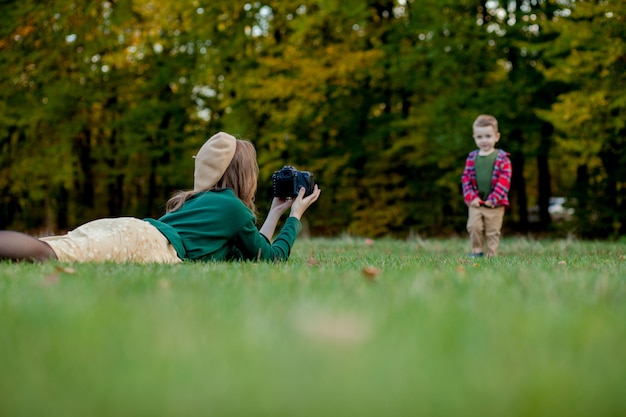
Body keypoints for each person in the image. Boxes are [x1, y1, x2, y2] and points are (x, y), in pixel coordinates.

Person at [0, 132, 321, 263]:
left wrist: (276, 213)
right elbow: (270, 258)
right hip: (145, 242)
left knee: (52, 244)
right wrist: (295, 218)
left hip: (131, 231)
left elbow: (254, 252)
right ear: (243, 175)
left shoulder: (208, 203)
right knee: (46, 253)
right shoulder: (232, 209)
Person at [461, 114, 512, 258]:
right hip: (476, 202)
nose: (484, 140)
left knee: (492, 231)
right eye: (480, 137)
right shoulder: (472, 157)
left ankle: (491, 255)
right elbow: (466, 179)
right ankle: (477, 251)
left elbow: (504, 181)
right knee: (473, 226)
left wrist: (494, 199)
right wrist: (471, 198)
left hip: (495, 204)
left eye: (488, 136)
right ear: (474, 137)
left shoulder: (502, 158)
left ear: (497, 136)